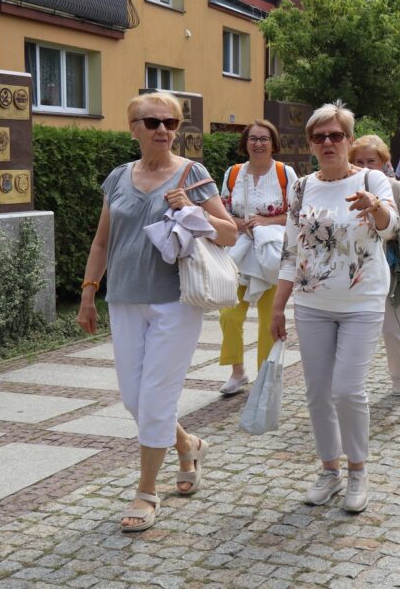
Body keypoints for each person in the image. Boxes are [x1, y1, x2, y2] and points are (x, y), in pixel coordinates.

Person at [77, 92, 237, 531]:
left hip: (174, 301)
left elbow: (230, 233)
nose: (163, 129)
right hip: (124, 299)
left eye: (170, 122)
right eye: (152, 122)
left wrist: (191, 209)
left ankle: (146, 492)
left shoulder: (192, 173)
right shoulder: (118, 177)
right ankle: (188, 445)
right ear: (133, 128)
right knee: (134, 398)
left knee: (157, 398)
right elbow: (102, 242)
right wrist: (89, 293)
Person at [271, 100, 398, 513]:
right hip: (312, 303)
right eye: (319, 136)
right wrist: (278, 306)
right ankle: (329, 470)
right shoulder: (301, 187)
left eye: (336, 135)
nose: (328, 142)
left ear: (348, 139)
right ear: (310, 143)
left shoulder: (372, 179)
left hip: (362, 299)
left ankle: (358, 472)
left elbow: (391, 228)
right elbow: (291, 250)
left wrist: (374, 206)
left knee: (347, 389)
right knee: (317, 392)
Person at [216, 120, 298, 395]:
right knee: (228, 314)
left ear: (274, 143)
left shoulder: (285, 173)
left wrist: (267, 220)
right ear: (245, 143)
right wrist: (238, 223)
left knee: (268, 320)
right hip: (239, 253)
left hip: (272, 255)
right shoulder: (233, 173)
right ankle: (237, 372)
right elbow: (221, 210)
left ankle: (265, 377)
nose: (258, 144)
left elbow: (297, 215)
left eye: (264, 139)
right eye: (253, 139)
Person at [349, 135, 400, 397]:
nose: (365, 166)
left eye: (371, 160)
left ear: (384, 162)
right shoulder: (343, 188)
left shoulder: (395, 187)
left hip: (392, 269)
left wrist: (388, 225)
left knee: (394, 329)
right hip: (355, 271)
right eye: (359, 161)